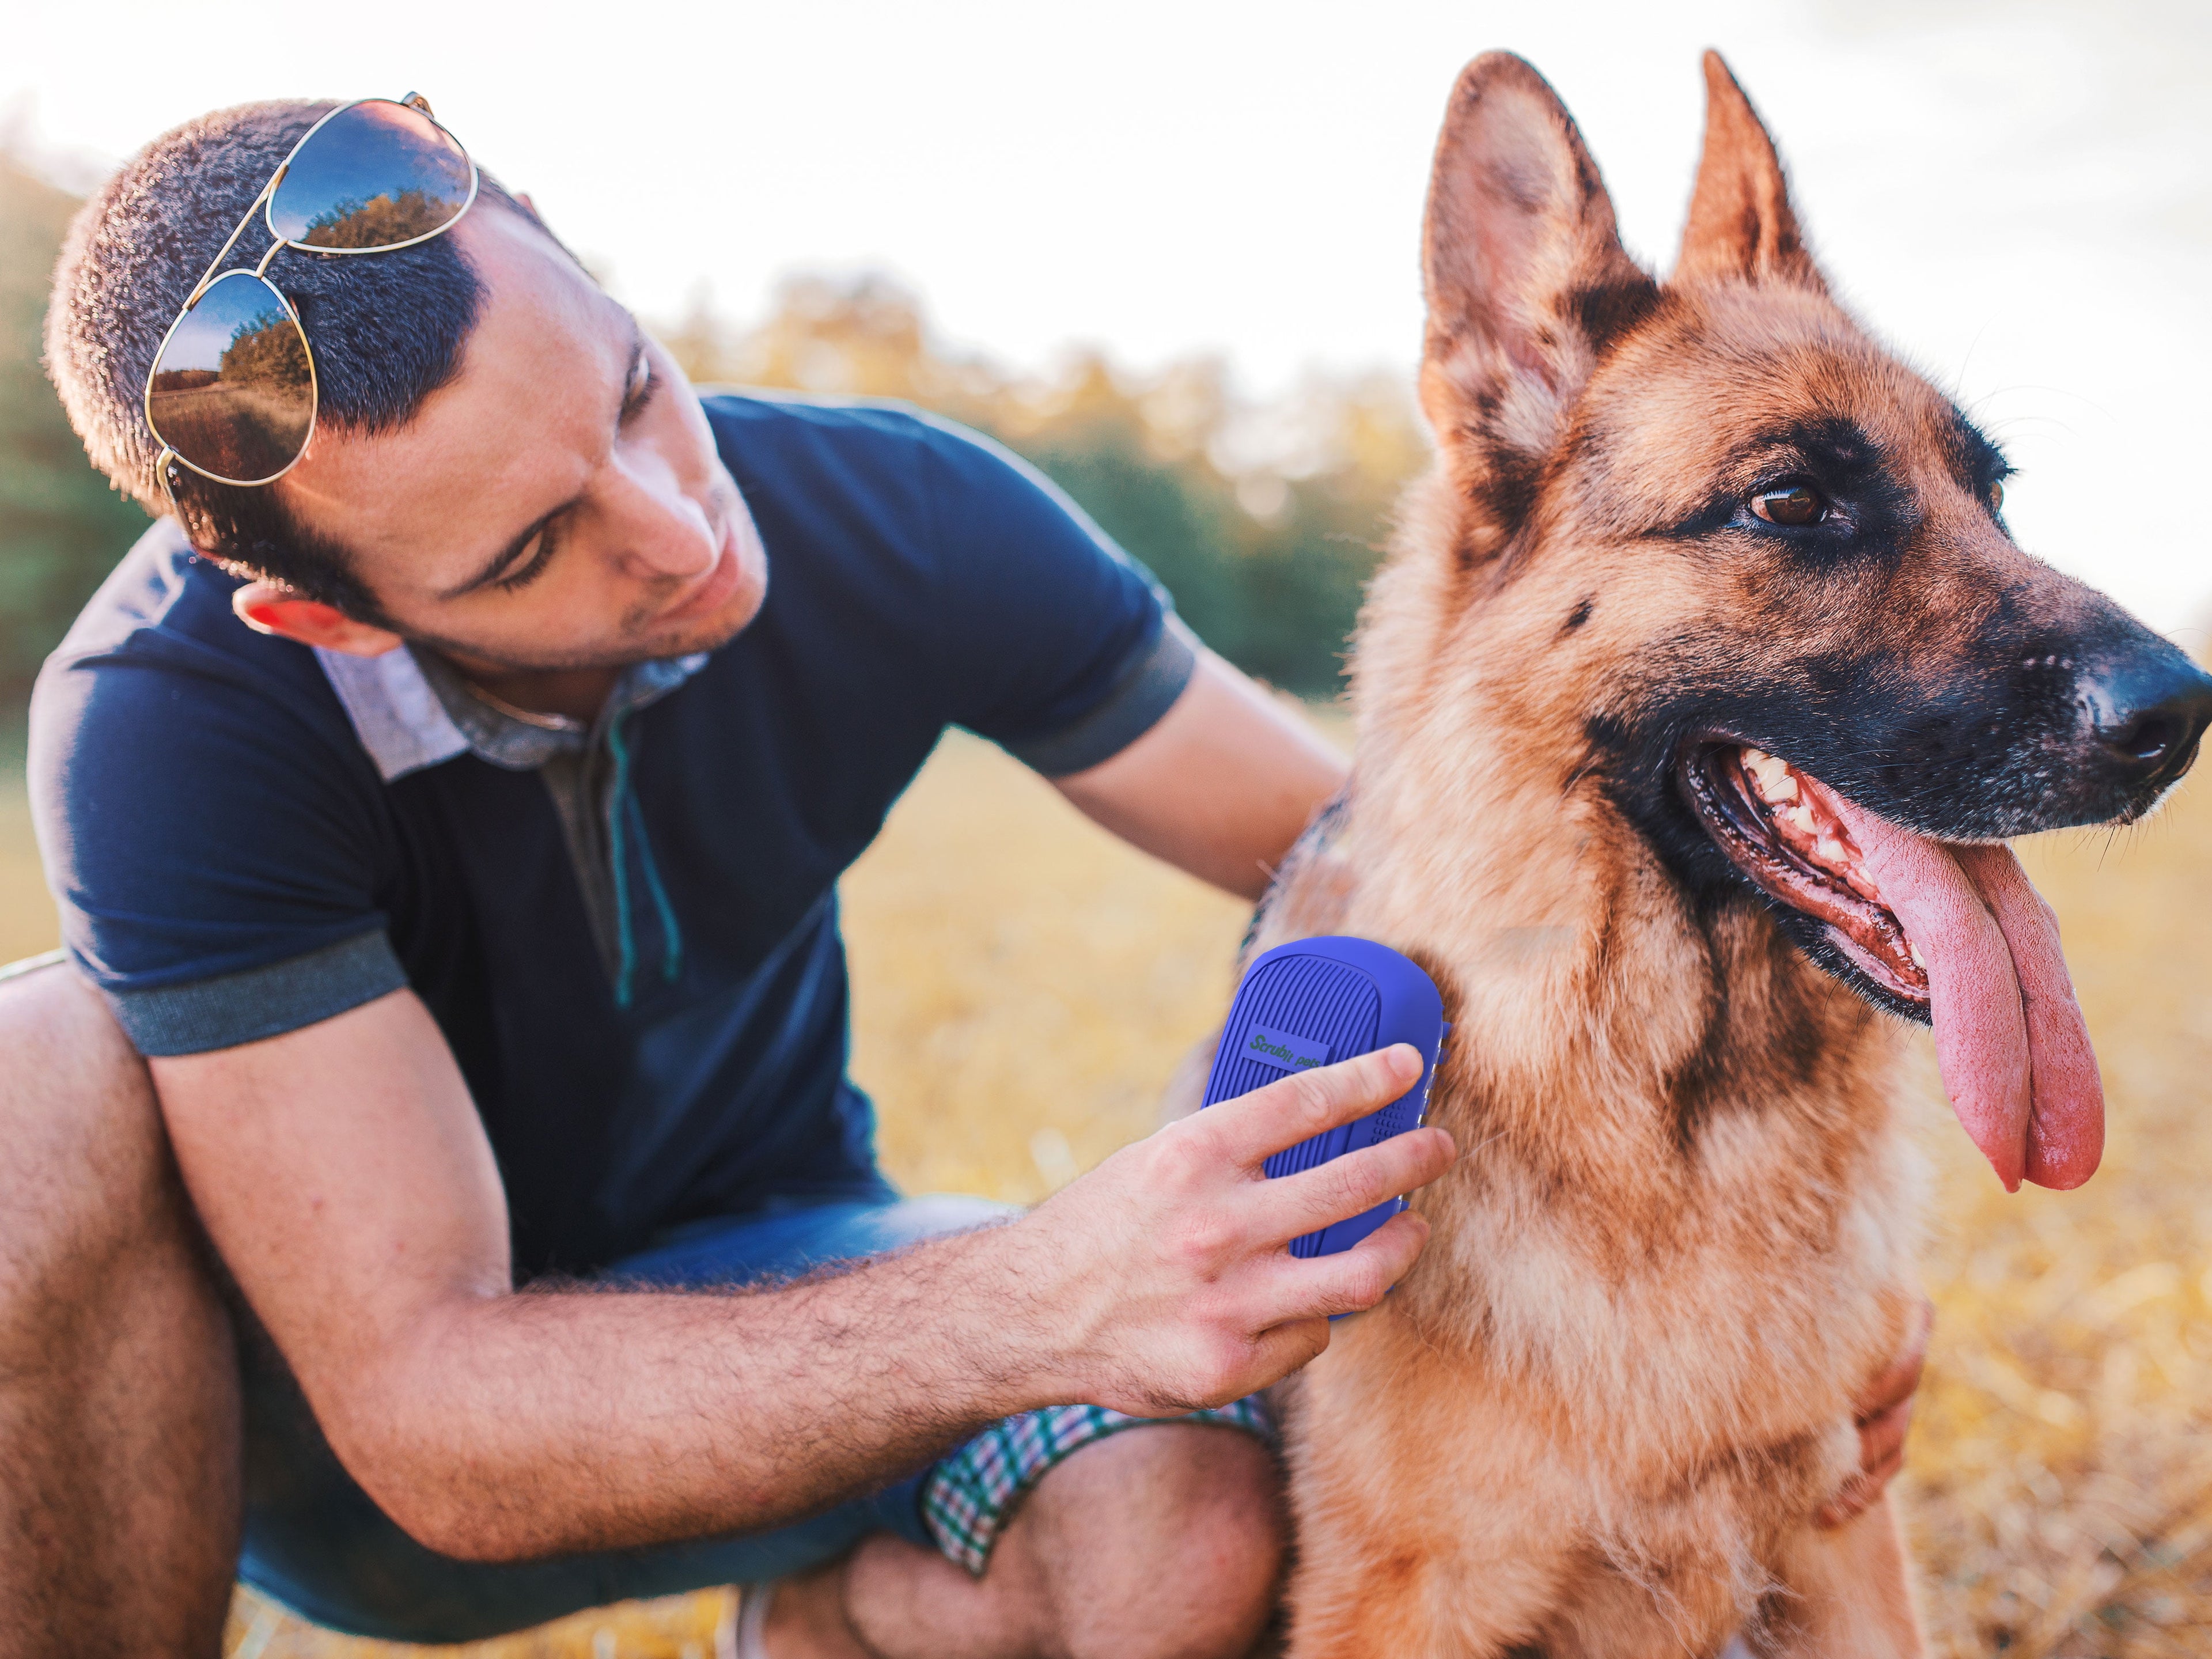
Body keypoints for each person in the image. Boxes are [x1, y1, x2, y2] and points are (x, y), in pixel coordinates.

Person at [2, 96, 1917, 1658]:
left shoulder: (887, 507)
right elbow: (435, 1429)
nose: (681, 536)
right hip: (348, 1466)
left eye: (638, 396)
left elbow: (1381, 844)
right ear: (319, 618)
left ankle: (838, 1617)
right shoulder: (175, 723)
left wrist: (1774, 1285)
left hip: (808, 1285)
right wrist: (1047, 1294)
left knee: (1178, 1536)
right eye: (526, 559)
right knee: (38, 1078)